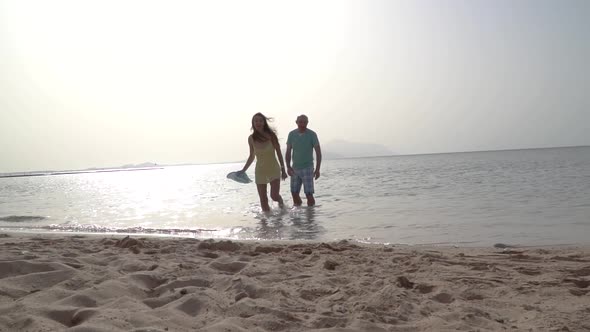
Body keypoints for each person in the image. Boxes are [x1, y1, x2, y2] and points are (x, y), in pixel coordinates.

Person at [239, 113, 288, 212]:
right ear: (253, 123)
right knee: (263, 200)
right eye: (256, 121)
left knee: (274, 196)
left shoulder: (271, 135)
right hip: (260, 171)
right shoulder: (251, 138)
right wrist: (243, 170)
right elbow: (252, 156)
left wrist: (283, 169)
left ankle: (281, 204)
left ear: (264, 122)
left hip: (273, 169)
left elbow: (278, 152)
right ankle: (265, 225)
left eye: (260, 120)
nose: (258, 123)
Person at [285, 114, 322, 206]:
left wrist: (317, 169)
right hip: (295, 168)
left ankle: (310, 216)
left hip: (307, 167)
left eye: (305, 122)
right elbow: (288, 151)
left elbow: (318, 152)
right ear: (296, 122)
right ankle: (298, 215)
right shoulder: (292, 134)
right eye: (300, 122)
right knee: (294, 193)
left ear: (307, 123)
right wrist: (288, 167)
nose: (302, 124)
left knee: (309, 193)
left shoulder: (312, 134)